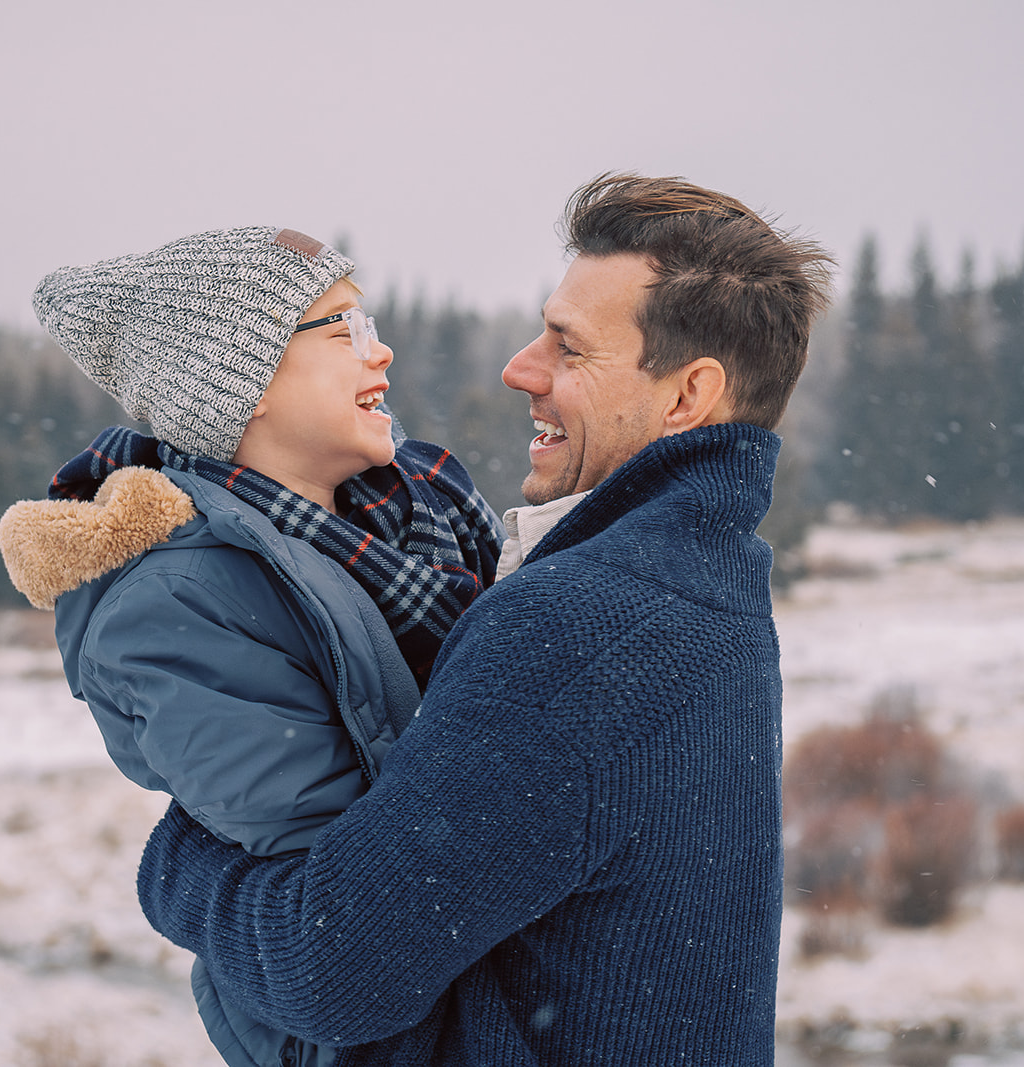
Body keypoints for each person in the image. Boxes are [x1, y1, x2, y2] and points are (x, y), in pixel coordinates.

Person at [134, 174, 836, 1065]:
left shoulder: (588, 623)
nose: (520, 370)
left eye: (568, 349)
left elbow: (330, 968)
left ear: (687, 395)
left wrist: (177, 857)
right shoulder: (712, 581)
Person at [0, 225, 501, 1067]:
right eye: (343, 330)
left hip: (482, 1002)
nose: (380, 355)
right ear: (244, 383)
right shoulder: (176, 603)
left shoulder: (420, 518)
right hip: (370, 1046)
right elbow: (349, 900)